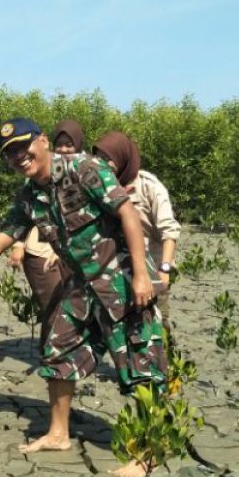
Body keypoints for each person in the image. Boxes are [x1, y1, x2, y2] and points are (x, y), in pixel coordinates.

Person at [0, 118, 165, 477]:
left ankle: (150, 451)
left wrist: (144, 277)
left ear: (43, 141)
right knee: (59, 348)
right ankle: (58, 433)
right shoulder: (28, 198)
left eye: (24, 146)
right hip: (81, 285)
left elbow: (127, 214)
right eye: (10, 154)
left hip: (120, 279)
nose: (19, 157)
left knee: (139, 360)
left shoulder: (86, 169)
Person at [92, 131, 181, 335]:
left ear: (122, 157)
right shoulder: (103, 187)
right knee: (124, 328)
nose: (102, 165)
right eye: (99, 159)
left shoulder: (150, 187)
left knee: (157, 326)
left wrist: (165, 270)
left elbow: (170, 231)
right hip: (119, 270)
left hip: (153, 269)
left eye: (108, 159)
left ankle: (166, 361)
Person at [6, 119, 85, 340]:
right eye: (61, 144)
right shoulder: (31, 181)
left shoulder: (84, 174)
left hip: (69, 255)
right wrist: (19, 245)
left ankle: (63, 359)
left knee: (73, 310)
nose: (64, 149)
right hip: (39, 251)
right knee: (54, 310)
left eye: (69, 145)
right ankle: (52, 358)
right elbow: (20, 220)